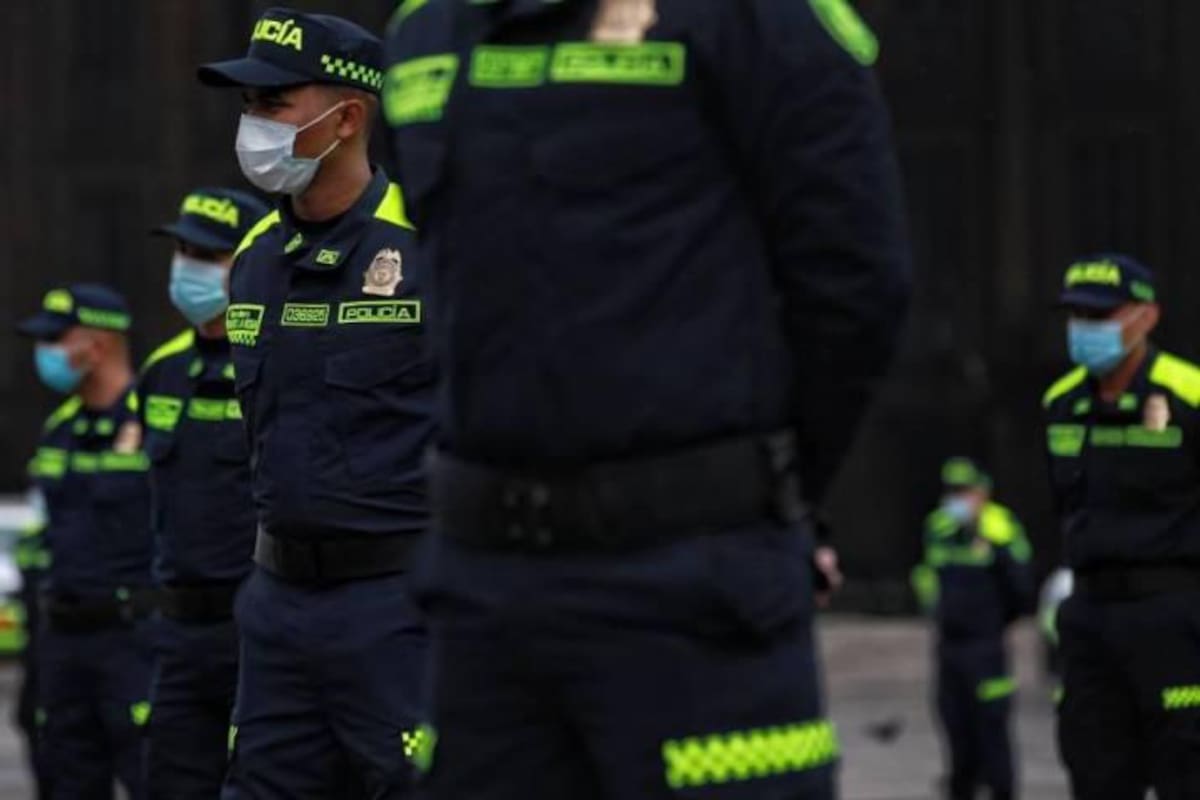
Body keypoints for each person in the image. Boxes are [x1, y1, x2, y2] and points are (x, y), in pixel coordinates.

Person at [384, 1, 911, 797]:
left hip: (690, 587)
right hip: (483, 602)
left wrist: (758, 485)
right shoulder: (427, 26)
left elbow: (854, 288)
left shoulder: (759, 20)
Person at [196, 9, 435, 797]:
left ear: (347, 117)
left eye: (274, 103)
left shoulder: (428, 246)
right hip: (276, 609)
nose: (253, 124)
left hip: (398, 607)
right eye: (248, 106)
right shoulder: (256, 263)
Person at [1043, 254, 1200, 798]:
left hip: (1174, 619)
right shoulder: (1061, 404)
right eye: (1077, 317)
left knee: (1187, 766)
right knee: (1095, 768)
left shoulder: (1190, 394)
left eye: (1102, 316)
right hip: (1092, 621)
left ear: (1146, 317)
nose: (1086, 329)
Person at [137, 187, 269, 798]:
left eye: (207, 255)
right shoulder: (161, 370)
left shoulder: (270, 357)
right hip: (176, 633)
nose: (188, 266)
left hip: (253, 627)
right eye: (183, 249)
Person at [18, 284, 153, 800]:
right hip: (60, 641)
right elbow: (41, 530)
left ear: (95, 346)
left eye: (56, 339)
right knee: (62, 773)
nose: (45, 353)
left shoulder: (153, 418)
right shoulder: (60, 428)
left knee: (152, 773)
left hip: (134, 638)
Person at [912, 457, 1033, 800]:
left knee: (992, 730)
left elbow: (1022, 591)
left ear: (982, 492)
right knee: (955, 729)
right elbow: (928, 575)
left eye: (964, 491)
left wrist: (992, 622)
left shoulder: (1001, 527)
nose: (957, 499)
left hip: (987, 647)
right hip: (949, 646)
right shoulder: (938, 527)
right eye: (952, 491)